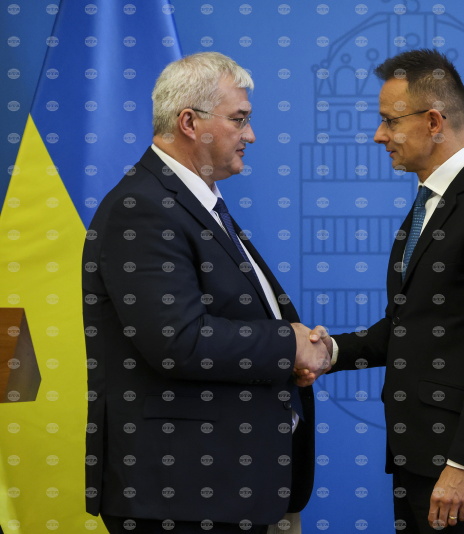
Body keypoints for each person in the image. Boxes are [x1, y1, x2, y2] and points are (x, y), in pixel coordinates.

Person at [82, 52, 329, 534]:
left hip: (228, 490)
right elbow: (179, 341)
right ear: (190, 122)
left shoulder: (192, 203)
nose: (250, 135)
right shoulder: (142, 208)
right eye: (239, 119)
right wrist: (289, 344)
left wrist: (285, 356)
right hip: (183, 496)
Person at [321, 49, 464, 533]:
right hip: (418, 457)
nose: (379, 135)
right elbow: (410, 327)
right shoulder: (430, 206)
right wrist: (327, 351)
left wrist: (463, 464)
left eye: (389, 121)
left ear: (434, 121)